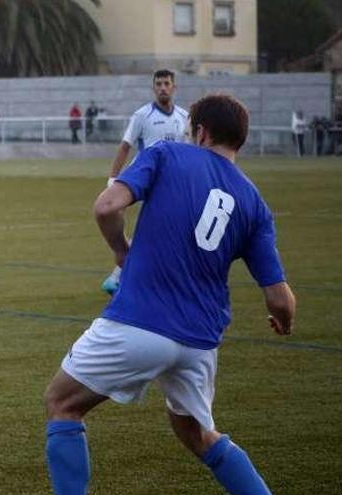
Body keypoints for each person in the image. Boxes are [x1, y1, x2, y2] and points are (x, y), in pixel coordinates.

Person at [43, 94, 296, 495]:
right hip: (199, 343)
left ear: (201, 132)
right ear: (240, 141)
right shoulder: (254, 203)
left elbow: (107, 206)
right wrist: (282, 322)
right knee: (196, 433)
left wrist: (120, 249)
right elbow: (280, 299)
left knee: (62, 402)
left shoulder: (167, 154)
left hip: (139, 322)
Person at [101, 69, 189, 295]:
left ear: (174, 87)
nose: (162, 88)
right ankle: (124, 271)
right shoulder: (142, 115)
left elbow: (189, 151)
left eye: (166, 83)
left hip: (173, 182)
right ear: (153, 88)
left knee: (162, 229)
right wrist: (113, 179)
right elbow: (125, 147)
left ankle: (121, 275)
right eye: (158, 84)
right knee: (131, 219)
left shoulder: (184, 117)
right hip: (146, 179)